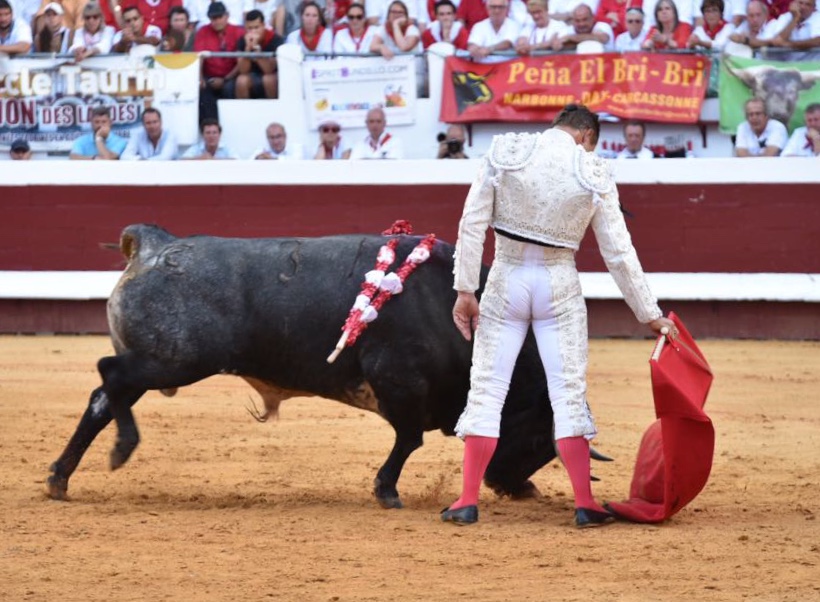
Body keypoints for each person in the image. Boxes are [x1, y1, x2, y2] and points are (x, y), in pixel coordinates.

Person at [441, 104, 675, 528]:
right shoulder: (593, 170)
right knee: (567, 391)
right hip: (558, 284)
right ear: (587, 134)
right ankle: (585, 503)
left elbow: (471, 224)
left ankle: (467, 500)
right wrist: (649, 313)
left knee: (488, 389)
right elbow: (619, 252)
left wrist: (464, 290)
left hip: (506, 278)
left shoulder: (506, 151)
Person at [194, 1, 243, 121]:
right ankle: (210, 125)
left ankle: (232, 122)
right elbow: (199, 57)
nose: (216, 21)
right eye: (213, 18)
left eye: (219, 17)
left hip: (232, 76)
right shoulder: (203, 32)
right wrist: (200, 78)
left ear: (227, 16)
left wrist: (226, 79)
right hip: (209, 75)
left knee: (230, 88)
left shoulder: (238, 31)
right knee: (202, 88)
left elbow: (242, 60)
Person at [236, 9, 285, 99]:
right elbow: (243, 70)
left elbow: (269, 70)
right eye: (250, 28)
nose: (253, 32)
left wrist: (257, 51)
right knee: (241, 80)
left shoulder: (275, 39)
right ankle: (243, 112)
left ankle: (274, 111)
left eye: (256, 27)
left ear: (263, 25)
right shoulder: (242, 40)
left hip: (272, 75)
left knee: (268, 79)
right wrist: (248, 49)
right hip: (252, 75)